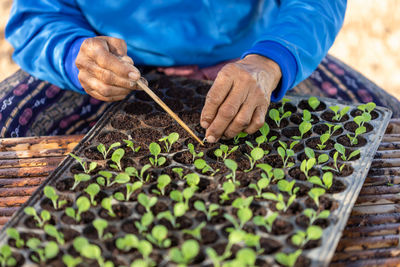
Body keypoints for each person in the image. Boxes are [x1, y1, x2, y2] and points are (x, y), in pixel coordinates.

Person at [1, 1, 399, 139]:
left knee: (389, 130)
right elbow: (36, 16)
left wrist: (272, 61)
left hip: (253, 61)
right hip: (118, 67)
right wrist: (74, 54)